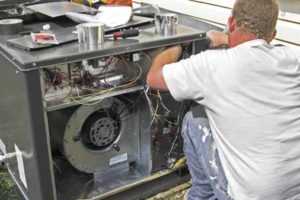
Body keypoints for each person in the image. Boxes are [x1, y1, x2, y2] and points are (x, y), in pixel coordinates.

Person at [147, 0, 300, 199]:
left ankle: (202, 195)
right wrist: (229, 39)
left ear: (231, 23)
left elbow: (153, 78)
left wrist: (175, 47)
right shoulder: (292, 59)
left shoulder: (213, 65)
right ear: (273, 35)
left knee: (195, 119)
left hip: (253, 195)